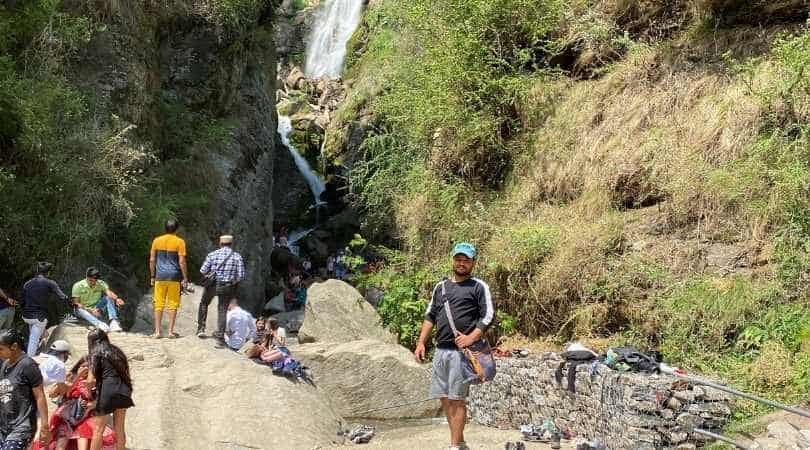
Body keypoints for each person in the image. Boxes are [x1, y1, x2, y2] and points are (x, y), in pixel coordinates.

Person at [414, 242, 495, 450]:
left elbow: (488, 315)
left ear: (473, 263)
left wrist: (471, 338)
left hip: (462, 354)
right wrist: (421, 342)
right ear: (453, 260)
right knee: (445, 398)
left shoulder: (478, 286)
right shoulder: (440, 287)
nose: (461, 264)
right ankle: (459, 442)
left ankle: (453, 446)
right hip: (441, 352)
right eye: (458, 259)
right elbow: (430, 315)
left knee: (457, 399)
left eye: (466, 260)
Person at [0, 329, 50, 449]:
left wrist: (44, 425)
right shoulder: (5, 365)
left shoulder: (28, 365)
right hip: (4, 426)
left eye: (1, 349)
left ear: (14, 346)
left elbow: (40, 396)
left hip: (21, 427)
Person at [86, 329, 133, 450]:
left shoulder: (95, 353)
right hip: (124, 389)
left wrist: (90, 394)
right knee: (119, 428)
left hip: (108, 389)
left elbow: (90, 380)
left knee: (98, 429)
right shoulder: (118, 351)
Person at [197, 235, 245, 341]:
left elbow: (203, 270)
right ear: (231, 244)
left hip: (212, 284)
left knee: (204, 303)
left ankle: (201, 329)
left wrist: (210, 275)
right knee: (222, 309)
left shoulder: (212, 254)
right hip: (227, 285)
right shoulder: (237, 256)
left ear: (220, 243)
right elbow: (241, 276)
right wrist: (232, 282)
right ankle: (220, 335)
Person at [149, 219, 189, 339]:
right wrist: (185, 277)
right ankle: (170, 332)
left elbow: (152, 260)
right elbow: (182, 262)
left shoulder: (157, 240)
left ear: (165, 228)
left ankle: (157, 332)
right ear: (177, 229)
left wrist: (152, 276)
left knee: (158, 304)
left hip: (160, 277)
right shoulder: (180, 242)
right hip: (174, 277)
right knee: (172, 304)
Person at [22, 262, 70, 356]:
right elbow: (62, 297)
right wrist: (73, 302)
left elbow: (22, 302)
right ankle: (29, 360)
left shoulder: (27, 284)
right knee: (34, 339)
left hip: (26, 316)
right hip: (39, 317)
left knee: (40, 333)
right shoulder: (50, 283)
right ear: (48, 273)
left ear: (37, 271)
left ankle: (41, 344)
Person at [71, 268, 125, 334]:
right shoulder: (78, 286)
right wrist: (90, 310)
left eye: (95, 280)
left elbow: (109, 293)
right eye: (91, 280)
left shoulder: (101, 283)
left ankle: (113, 321)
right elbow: (76, 303)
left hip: (96, 308)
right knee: (78, 308)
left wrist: (117, 299)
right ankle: (99, 324)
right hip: (82, 309)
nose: (93, 282)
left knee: (108, 297)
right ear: (86, 277)